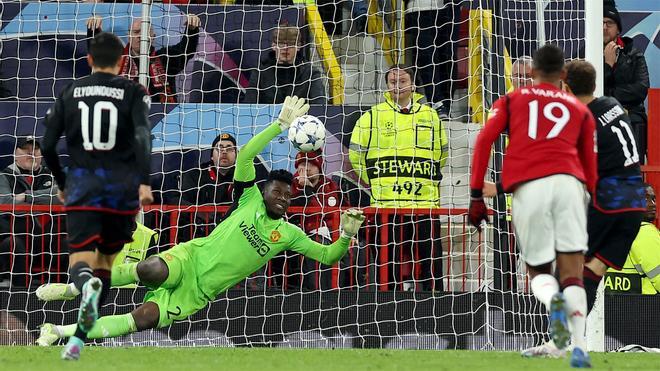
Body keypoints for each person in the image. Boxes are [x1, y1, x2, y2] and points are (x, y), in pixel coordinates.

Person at [35, 96, 366, 347]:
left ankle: (60, 332)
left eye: (287, 196)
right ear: (264, 192)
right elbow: (248, 153)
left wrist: (346, 235)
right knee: (150, 269)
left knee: (144, 318)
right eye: (277, 192)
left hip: (199, 292)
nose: (282, 198)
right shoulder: (248, 197)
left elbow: (328, 256)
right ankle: (71, 289)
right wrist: (278, 125)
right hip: (191, 256)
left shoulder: (289, 233)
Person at [469, 44, 597, 368]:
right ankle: (580, 346)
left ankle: (553, 303)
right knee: (573, 272)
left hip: (531, 187)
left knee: (539, 271)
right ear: (563, 75)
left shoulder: (513, 100)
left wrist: (475, 195)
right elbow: (590, 163)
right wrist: (594, 200)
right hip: (570, 185)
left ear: (533, 72)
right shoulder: (579, 109)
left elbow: (484, 140)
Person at [519, 59, 646, 359]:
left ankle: (560, 342)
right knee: (591, 272)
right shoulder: (613, 104)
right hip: (635, 201)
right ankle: (575, 341)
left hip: (609, 200)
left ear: (565, 86)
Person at [41, 31, 154, 360]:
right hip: (121, 190)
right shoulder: (133, 91)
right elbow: (143, 138)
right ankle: (77, 340)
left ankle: (84, 283)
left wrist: (62, 182)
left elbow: (47, 145)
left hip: (83, 187)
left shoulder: (70, 91)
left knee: (82, 262)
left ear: (89, 60)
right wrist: (143, 182)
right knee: (105, 264)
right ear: (122, 62)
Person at [349, 64, 448, 291]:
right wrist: (377, 180)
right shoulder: (372, 116)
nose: (397, 86)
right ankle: (387, 311)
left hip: (424, 204)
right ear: (387, 85)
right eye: (393, 82)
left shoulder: (431, 116)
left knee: (431, 266)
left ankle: (438, 311)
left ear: (413, 84)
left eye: (402, 81)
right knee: (388, 269)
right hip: (386, 205)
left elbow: (442, 154)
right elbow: (356, 155)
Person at [86, 14, 200, 103]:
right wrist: (94, 29)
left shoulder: (165, 58)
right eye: (136, 32)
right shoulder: (116, 59)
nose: (141, 35)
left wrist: (192, 29)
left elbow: (186, 50)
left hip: (163, 120)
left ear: (153, 37)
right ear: (129, 37)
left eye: (145, 32)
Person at [0, 137, 61, 286]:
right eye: (26, 150)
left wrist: (26, 196)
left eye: (35, 150)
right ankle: (21, 290)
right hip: (19, 234)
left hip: (48, 235)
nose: (31, 154)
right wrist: (46, 196)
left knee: (67, 242)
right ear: (15, 154)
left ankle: (65, 288)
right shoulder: (4, 176)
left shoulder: (51, 174)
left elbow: (61, 195)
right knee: (11, 242)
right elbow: (5, 201)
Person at [288, 149, 348, 290]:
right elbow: (290, 215)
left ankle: (359, 297)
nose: (306, 168)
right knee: (318, 242)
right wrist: (306, 189)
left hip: (335, 236)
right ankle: (321, 297)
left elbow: (346, 211)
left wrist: (350, 234)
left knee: (360, 248)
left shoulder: (332, 186)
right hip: (302, 238)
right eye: (302, 164)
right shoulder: (291, 187)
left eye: (311, 164)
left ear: (319, 166)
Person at [602, 2, 649, 161]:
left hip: (631, 115)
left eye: (609, 23)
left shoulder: (634, 54)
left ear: (618, 29)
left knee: (635, 119)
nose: (604, 27)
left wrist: (610, 95)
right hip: (599, 116)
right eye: (601, 23)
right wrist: (607, 66)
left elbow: (640, 89)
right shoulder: (585, 53)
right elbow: (589, 90)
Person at [242, 23, 326, 105]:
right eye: (281, 43)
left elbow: (319, 106)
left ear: (299, 46)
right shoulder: (260, 72)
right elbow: (249, 106)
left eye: (291, 44)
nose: (285, 48)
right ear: (274, 45)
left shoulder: (311, 73)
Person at [405, 0, 460, 117]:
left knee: (449, 57)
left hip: (449, 8)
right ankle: (437, 103)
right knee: (427, 56)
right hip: (419, 8)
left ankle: (446, 104)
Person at [604, 184, 660, 295]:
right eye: (645, 199)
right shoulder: (645, 232)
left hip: (612, 307)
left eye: (653, 199)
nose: (652, 205)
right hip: (645, 307)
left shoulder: (610, 230)